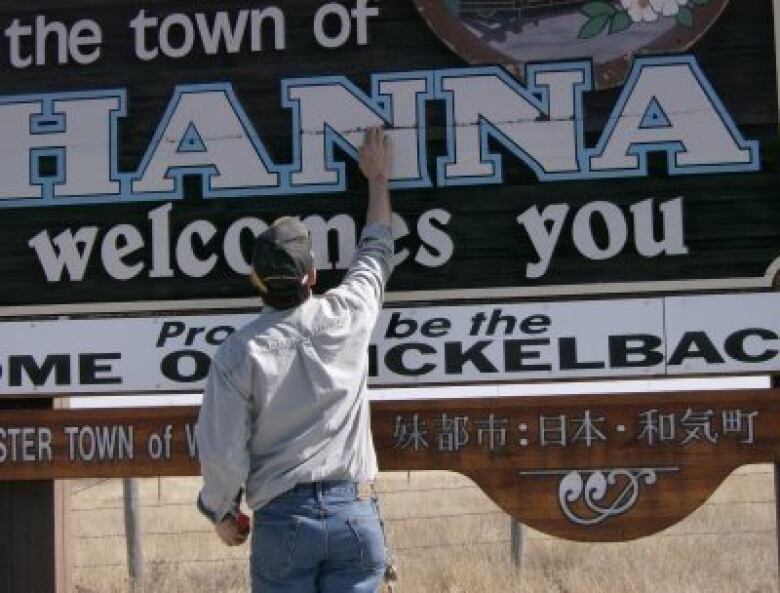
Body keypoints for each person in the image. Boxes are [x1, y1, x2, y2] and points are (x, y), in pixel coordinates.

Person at [196, 127, 394, 593]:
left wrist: (222, 512)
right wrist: (379, 180)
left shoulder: (237, 354)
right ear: (312, 274)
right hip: (355, 514)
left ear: (255, 280)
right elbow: (377, 251)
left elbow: (223, 450)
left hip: (283, 522)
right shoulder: (348, 315)